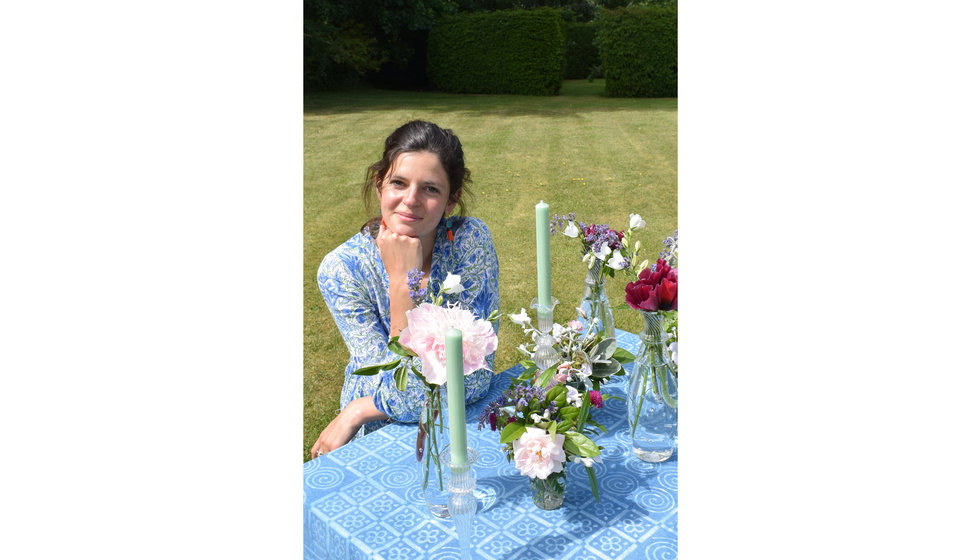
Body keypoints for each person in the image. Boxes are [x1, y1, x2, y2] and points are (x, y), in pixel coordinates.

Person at [310, 120, 500, 458]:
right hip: (381, 433)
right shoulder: (343, 269)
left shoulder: (469, 243)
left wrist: (357, 410)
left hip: (452, 424)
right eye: (398, 182)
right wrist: (401, 286)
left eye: (430, 189)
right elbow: (400, 394)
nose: (410, 200)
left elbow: (477, 377)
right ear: (379, 184)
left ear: (451, 201)